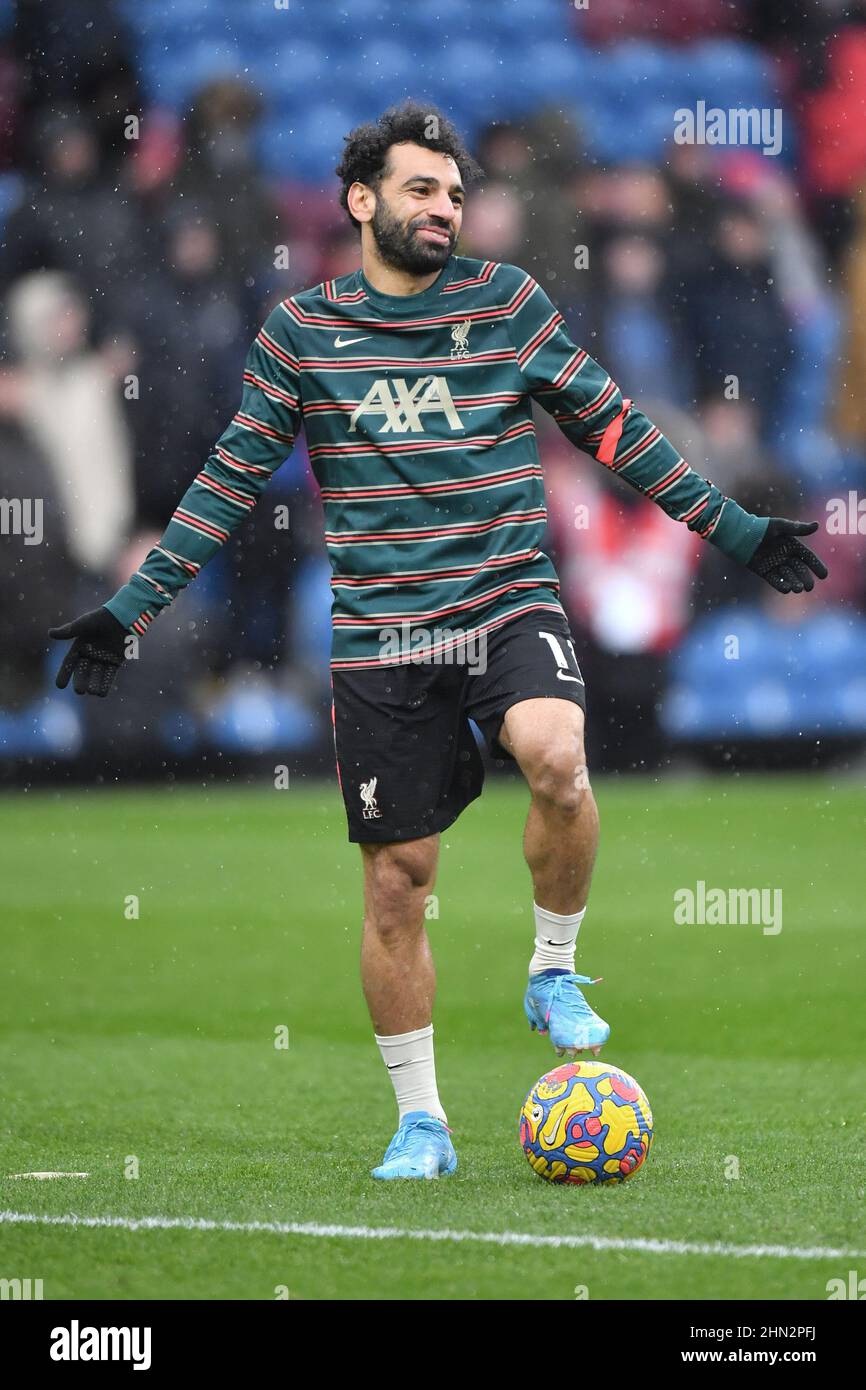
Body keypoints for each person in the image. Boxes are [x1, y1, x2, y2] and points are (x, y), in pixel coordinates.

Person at [49, 102, 828, 1180]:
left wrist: (730, 524)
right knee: (395, 884)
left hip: (507, 598)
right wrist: (132, 605)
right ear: (362, 200)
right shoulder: (301, 334)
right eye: (422, 189)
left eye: (455, 193)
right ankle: (421, 1122)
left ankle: (552, 968)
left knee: (556, 755)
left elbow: (615, 426)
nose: (444, 208)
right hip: (381, 635)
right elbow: (228, 482)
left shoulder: (507, 303)